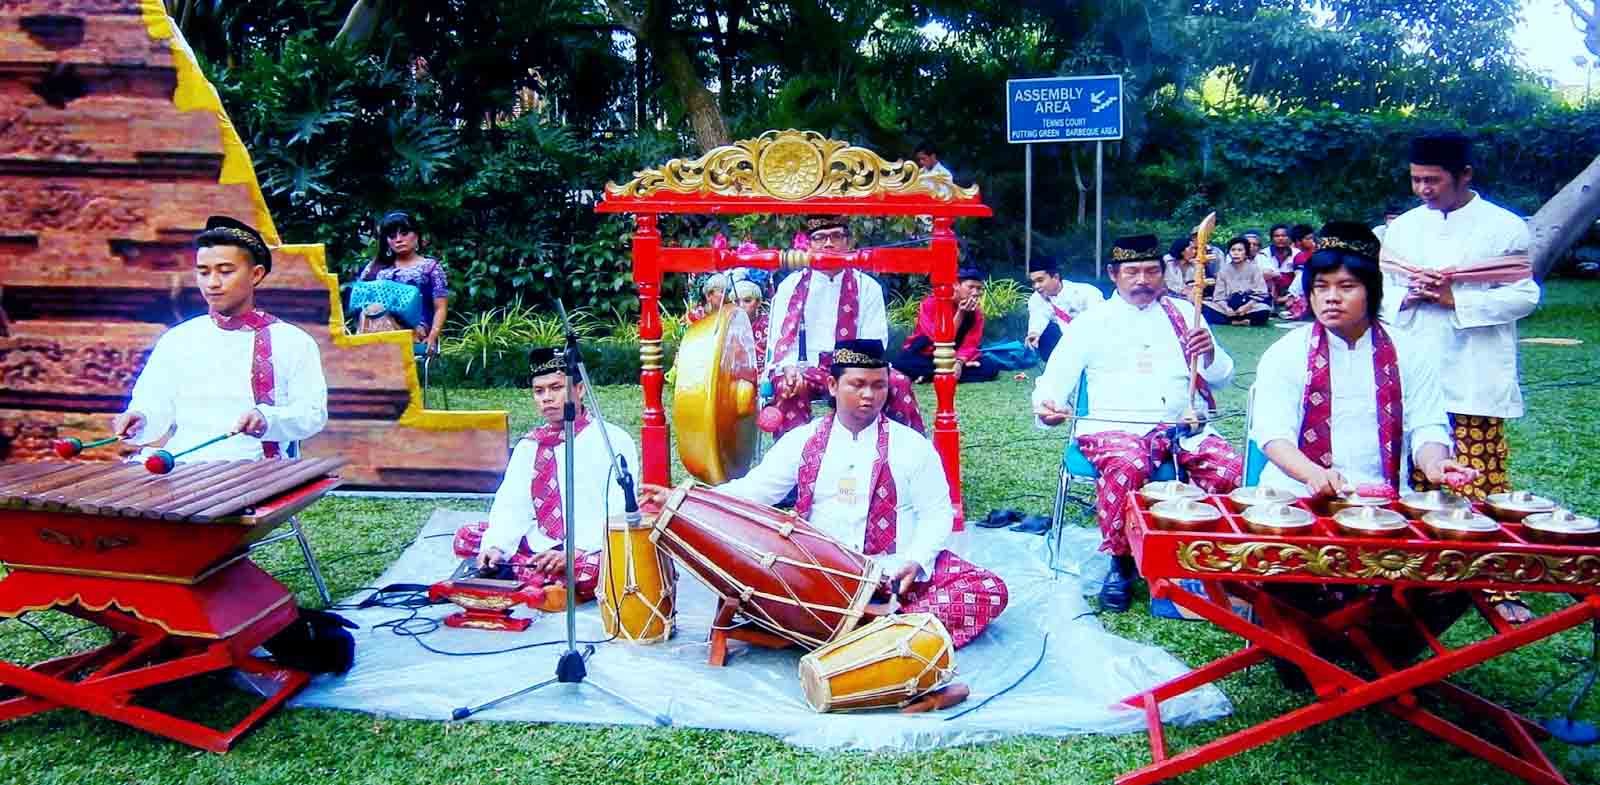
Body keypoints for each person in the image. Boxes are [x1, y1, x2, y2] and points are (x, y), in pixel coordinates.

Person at [701, 339, 1006, 648]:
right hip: (821, 575)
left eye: (879, 386)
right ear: (833, 385)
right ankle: (895, 638)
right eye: (858, 384)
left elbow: (937, 512)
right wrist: (691, 500)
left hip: (894, 573)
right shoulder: (802, 441)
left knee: (987, 588)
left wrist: (916, 559)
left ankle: (873, 638)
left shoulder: (912, 446)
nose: (869, 395)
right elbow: (753, 491)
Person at [1032, 234, 1243, 613]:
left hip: (1185, 426)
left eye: (1151, 271)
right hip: (1113, 430)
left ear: (1163, 273)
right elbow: (1054, 382)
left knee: (1229, 469)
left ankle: (1207, 561)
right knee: (1128, 465)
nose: (1142, 280)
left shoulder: (1186, 313)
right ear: (1114, 275)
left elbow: (1223, 377)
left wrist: (1209, 354)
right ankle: (1121, 561)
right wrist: (1048, 407)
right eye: (1132, 272)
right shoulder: (1091, 322)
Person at [1379, 131, 1540, 624]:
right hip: (1416, 359)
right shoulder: (1402, 228)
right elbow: (1383, 287)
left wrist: (1456, 298)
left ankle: (1491, 582)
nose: (1424, 189)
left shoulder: (1504, 227)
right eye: (1416, 180)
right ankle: (1413, 570)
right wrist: (1411, 294)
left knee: (1478, 476)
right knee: (1408, 472)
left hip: (1474, 368)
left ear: (1464, 176)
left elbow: (1524, 295)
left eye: (1434, 180)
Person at [1251, 222, 1477, 498]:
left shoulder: (1410, 350)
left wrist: (1435, 464)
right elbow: (1272, 433)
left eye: (1347, 287)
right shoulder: (1286, 352)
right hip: (1293, 498)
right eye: (1321, 287)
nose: (1331, 298)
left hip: (1382, 502)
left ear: (1371, 291)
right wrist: (1313, 474)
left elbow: (1427, 425)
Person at [113, 216, 328, 462]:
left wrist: (268, 419)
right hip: (182, 463)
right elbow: (155, 404)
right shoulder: (178, 339)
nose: (212, 283)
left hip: (257, 470)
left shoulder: (292, 342)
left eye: (225, 272)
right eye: (203, 272)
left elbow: (312, 415)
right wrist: (140, 418)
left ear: (256, 274)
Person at [452, 347, 639, 599]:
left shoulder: (611, 440)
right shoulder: (529, 445)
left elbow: (619, 511)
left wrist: (574, 552)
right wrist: (496, 546)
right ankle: (540, 578)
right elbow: (512, 504)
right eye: (539, 392)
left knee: (593, 569)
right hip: (540, 544)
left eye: (556, 388)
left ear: (580, 390)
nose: (546, 398)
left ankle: (531, 574)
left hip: (589, 547)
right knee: (466, 537)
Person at [765, 216, 924, 439]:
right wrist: (788, 368)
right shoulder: (789, 286)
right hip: (805, 367)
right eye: (820, 238)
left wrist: (851, 371)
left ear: (849, 243)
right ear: (809, 245)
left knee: (898, 382)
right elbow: (779, 342)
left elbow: (875, 343)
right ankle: (796, 465)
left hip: (856, 365)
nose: (828, 244)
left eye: (836, 236)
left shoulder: (868, 287)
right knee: (789, 387)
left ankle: (906, 458)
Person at [357, 211, 450, 355]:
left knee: (375, 311)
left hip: (416, 331)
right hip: (376, 323)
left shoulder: (430, 267)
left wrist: (433, 336)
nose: (398, 240)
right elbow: (361, 299)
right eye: (392, 236)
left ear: (417, 235)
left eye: (404, 233)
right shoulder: (376, 268)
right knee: (372, 310)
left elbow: (440, 307)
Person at [898, 266, 1000, 384]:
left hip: (954, 355)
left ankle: (931, 375)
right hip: (928, 354)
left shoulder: (976, 313)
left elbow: (971, 343)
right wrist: (961, 313)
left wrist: (959, 362)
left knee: (991, 367)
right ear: (956, 285)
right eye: (971, 287)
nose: (976, 293)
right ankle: (941, 374)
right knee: (902, 364)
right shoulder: (930, 303)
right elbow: (938, 338)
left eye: (979, 289)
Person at [1023, 255, 1102, 363]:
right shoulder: (1036, 299)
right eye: (1033, 282)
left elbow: (1100, 322)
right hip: (1065, 346)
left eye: (1040, 280)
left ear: (1055, 277)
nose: (1036, 286)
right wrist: (1034, 334)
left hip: (1094, 345)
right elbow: (1037, 318)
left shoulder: (1087, 293)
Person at [1203, 236, 1272, 326]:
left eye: (1240, 250)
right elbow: (1219, 296)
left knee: (1264, 310)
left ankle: (1237, 321)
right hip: (1228, 305)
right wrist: (1227, 309)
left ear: (1246, 253)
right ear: (1229, 253)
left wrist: (1246, 307)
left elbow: (1261, 292)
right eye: (1233, 250)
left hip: (1248, 305)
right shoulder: (1223, 270)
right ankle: (1235, 321)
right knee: (1204, 306)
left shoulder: (1254, 269)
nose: (1236, 253)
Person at [1162, 235, 1222, 300]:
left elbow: (1204, 284)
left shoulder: (1196, 264)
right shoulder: (1166, 262)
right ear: (1182, 251)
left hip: (1192, 298)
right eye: (1191, 248)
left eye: (1195, 249)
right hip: (1169, 297)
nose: (1195, 251)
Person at [733, 277, 769, 374]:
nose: (741, 305)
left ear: (758, 302)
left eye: (747, 300)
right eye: (736, 302)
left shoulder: (768, 325)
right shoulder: (728, 326)